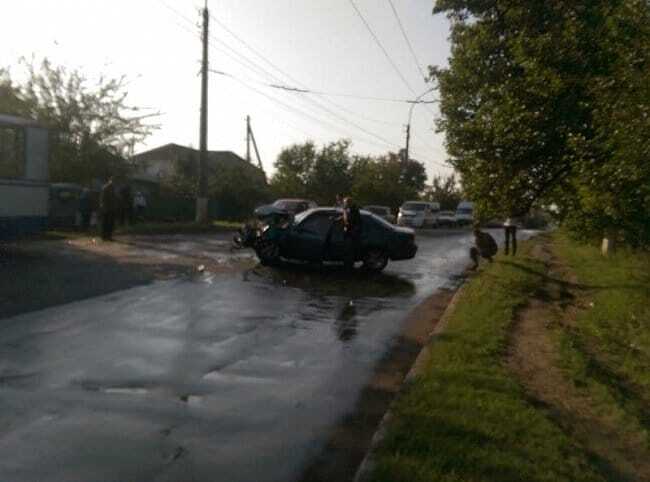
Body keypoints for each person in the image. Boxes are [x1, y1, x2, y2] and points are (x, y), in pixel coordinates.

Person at [342, 197, 362, 270]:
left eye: (345, 202)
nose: (344, 204)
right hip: (348, 232)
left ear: (349, 203)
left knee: (349, 250)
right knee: (347, 250)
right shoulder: (347, 209)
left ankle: (349, 266)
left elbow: (355, 222)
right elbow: (344, 217)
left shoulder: (354, 210)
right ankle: (347, 264)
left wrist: (352, 231)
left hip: (351, 234)